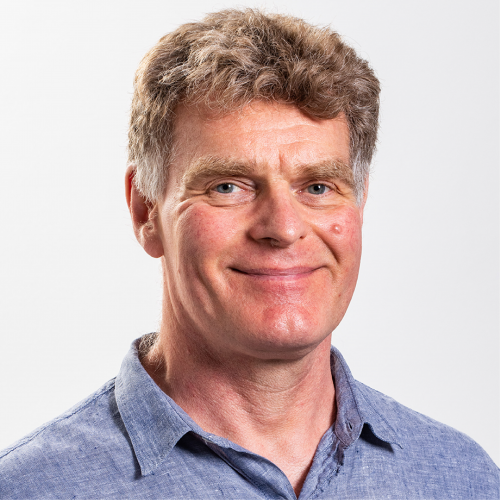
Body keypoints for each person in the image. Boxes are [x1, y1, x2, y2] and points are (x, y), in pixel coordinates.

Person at [0, 8, 498, 499]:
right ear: (145, 211)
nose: (283, 228)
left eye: (318, 187)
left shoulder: (463, 479)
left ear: (360, 204)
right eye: (227, 186)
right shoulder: (30, 490)